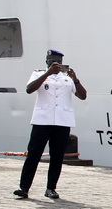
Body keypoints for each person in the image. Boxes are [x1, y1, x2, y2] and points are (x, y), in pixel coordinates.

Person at [14, 49, 87, 200]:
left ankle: (51, 188)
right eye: (53, 61)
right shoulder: (38, 74)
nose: (56, 64)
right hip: (42, 120)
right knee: (33, 154)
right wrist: (47, 73)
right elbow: (29, 89)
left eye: (59, 62)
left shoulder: (67, 77)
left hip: (62, 121)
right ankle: (24, 187)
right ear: (46, 61)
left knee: (57, 156)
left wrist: (76, 80)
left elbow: (82, 95)